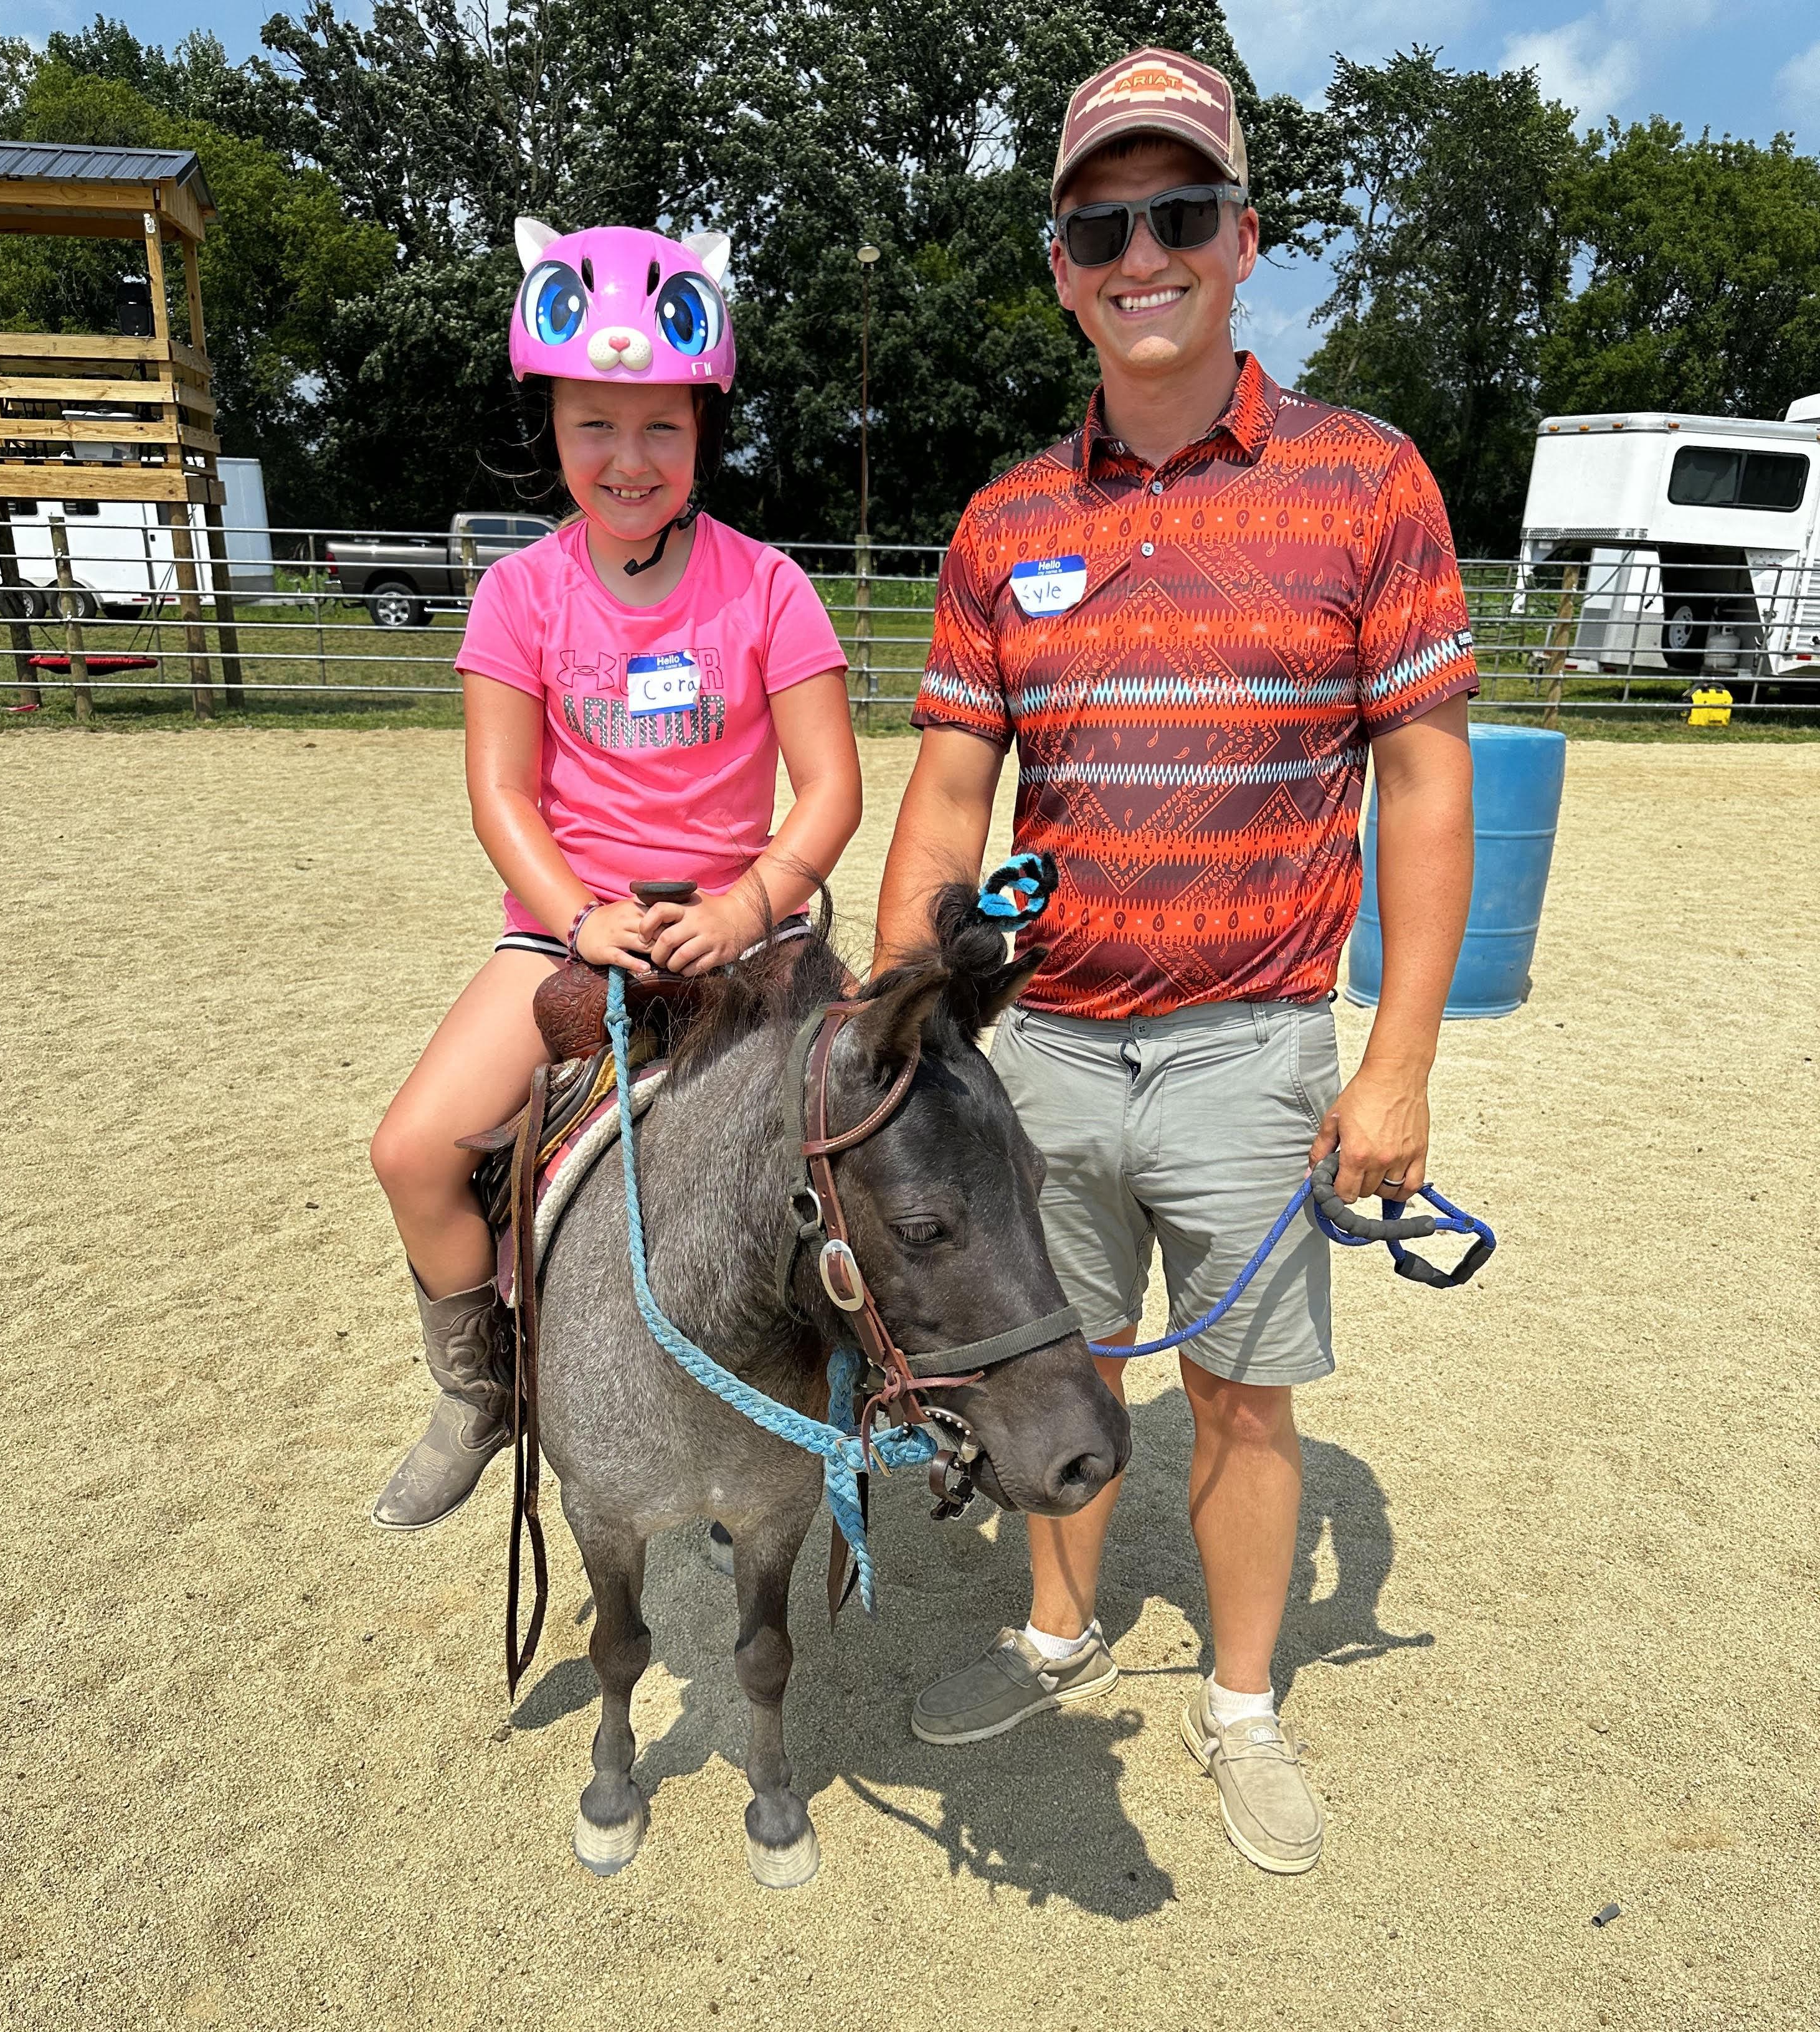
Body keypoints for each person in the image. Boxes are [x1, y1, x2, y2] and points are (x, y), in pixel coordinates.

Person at [873, 48, 1477, 1876]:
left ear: (1242, 239)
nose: (1144, 251)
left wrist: (1397, 1067)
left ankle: (1241, 1708)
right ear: (1062, 263)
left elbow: (1428, 787)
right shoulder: (1003, 522)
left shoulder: (1368, 482)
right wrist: (905, 1026)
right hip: (1040, 1048)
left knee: (1240, 1391)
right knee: (1052, 1373)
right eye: (1101, 222)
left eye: (1180, 212)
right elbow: (947, 795)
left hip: (1251, 1042)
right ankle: (1057, 1634)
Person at [369, 220, 861, 1531]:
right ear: (555, 429)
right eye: (595, 427)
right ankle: (482, 1392)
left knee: (889, 1149)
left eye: (660, 429)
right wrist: (581, 920)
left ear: (703, 432)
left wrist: (753, 905)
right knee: (414, 1151)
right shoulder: (518, 597)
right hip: (569, 934)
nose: (628, 461)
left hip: (747, 934)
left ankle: (882, 1391)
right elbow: (501, 793)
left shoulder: (769, 590)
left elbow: (831, 791)